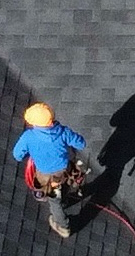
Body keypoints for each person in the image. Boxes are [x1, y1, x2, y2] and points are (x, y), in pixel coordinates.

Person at [12, 101, 90, 238]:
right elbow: (81, 144)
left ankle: (63, 226)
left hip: (45, 175)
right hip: (64, 171)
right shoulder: (63, 132)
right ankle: (64, 199)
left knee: (54, 201)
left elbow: (17, 155)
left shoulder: (29, 137)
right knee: (64, 188)